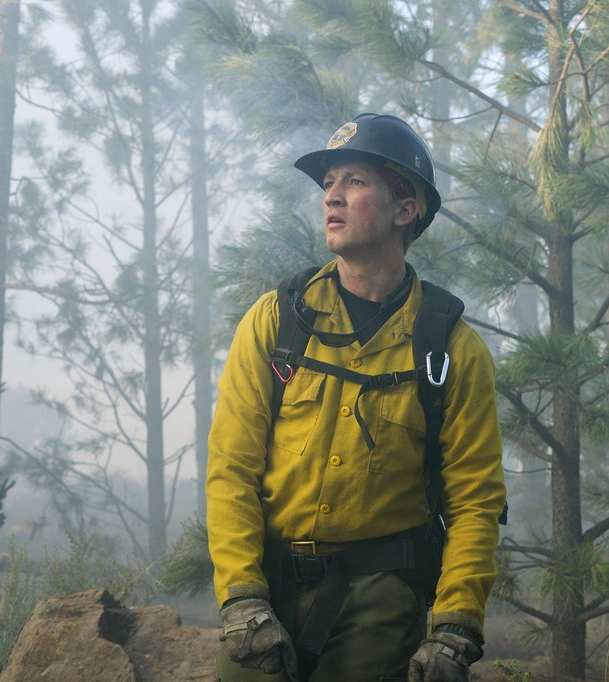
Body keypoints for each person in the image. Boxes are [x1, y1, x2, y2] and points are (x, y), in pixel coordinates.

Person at [206, 113, 507, 682]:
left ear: (405, 209)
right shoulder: (276, 322)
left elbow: (475, 501)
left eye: (354, 182)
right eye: (328, 185)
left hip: (381, 605)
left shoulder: (449, 347)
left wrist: (454, 628)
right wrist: (241, 597)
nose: (332, 198)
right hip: (265, 590)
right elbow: (231, 470)